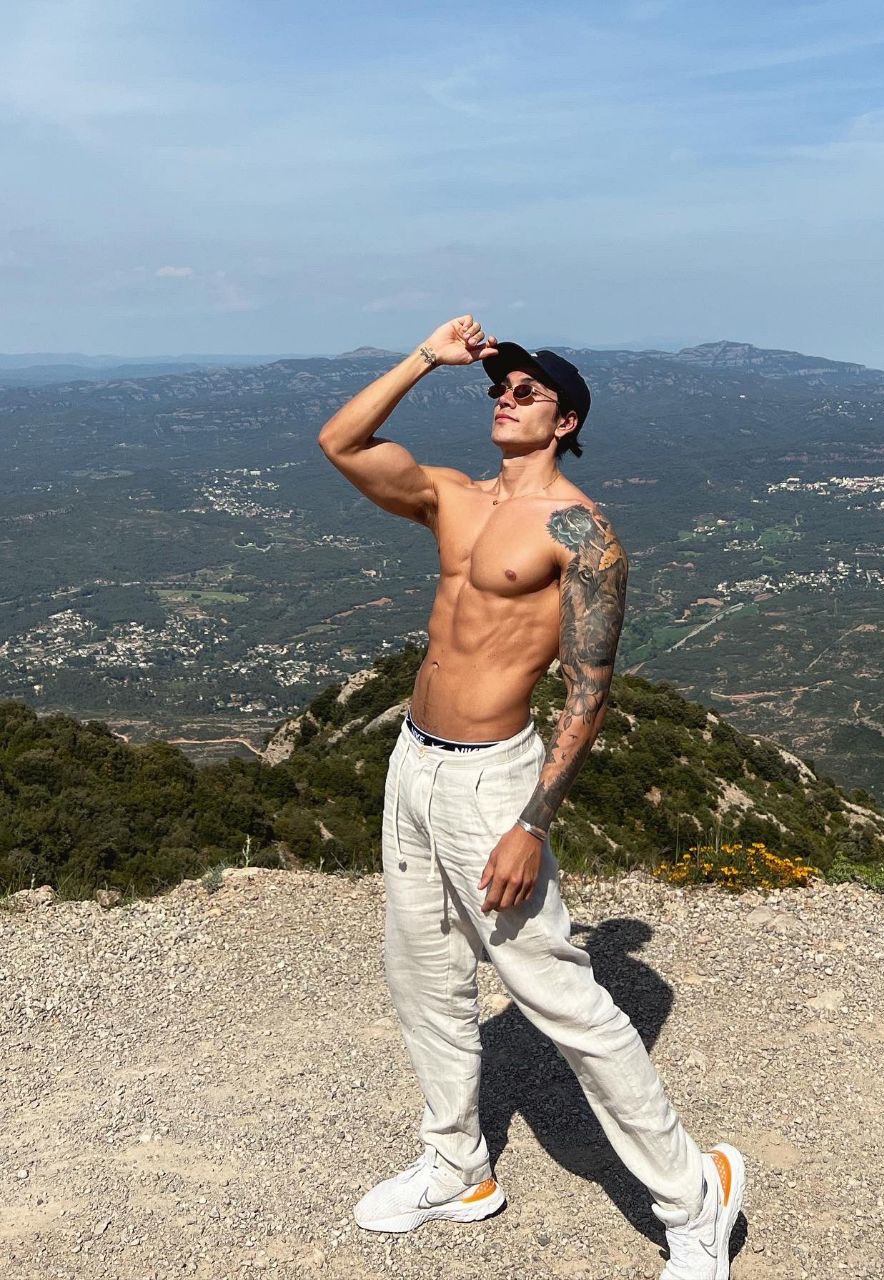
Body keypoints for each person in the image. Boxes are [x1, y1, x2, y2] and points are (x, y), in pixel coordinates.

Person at [317, 314, 745, 1279]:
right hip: (413, 762)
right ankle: (456, 1167)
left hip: (491, 779)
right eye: (498, 389)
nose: (505, 399)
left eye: (527, 393)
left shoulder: (580, 532)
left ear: (566, 420)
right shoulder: (452, 497)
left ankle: (693, 1196)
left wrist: (529, 824)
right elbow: (340, 441)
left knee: (556, 995)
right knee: (423, 976)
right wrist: (426, 358)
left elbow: (587, 693)